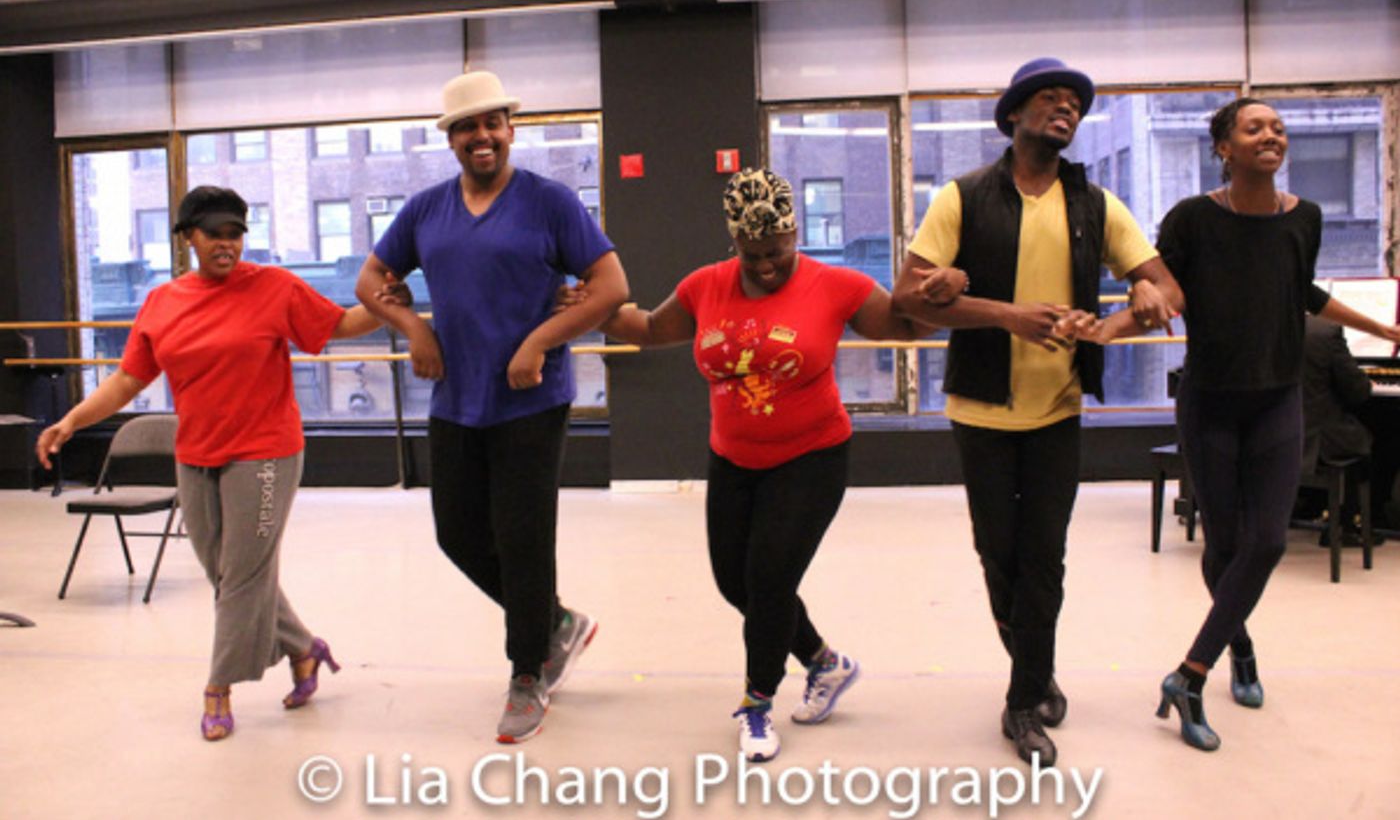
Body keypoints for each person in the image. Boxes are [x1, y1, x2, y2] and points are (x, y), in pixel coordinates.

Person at [573, 167, 961, 762]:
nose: (765, 266)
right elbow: (648, 328)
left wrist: (941, 293)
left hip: (812, 455)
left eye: (775, 251)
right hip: (733, 458)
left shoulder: (835, 286)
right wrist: (590, 308)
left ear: (794, 233)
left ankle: (757, 705)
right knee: (737, 583)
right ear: (734, 242)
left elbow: (907, 328)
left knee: (771, 581)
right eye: (751, 254)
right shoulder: (706, 286)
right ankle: (827, 664)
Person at [1072, 97, 1400, 751]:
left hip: (1278, 401)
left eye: (1278, 127)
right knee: (1223, 545)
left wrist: (1382, 326)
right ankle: (1239, 646)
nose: (1271, 135)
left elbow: (1301, 290)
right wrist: (1107, 327)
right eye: (1255, 127)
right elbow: (1165, 292)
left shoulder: (1304, 216)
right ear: (1225, 146)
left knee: (1269, 540)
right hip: (1211, 402)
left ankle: (1190, 672)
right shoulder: (1193, 218)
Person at [891, 57, 1182, 767]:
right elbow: (907, 297)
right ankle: (1034, 661)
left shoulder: (1095, 204)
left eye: (1075, 104)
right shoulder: (962, 197)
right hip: (982, 409)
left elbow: (1163, 287)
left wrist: (1130, 315)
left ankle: (1022, 701)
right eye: (1051, 99)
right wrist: (1005, 314)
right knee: (1000, 555)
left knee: (1043, 558)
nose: (1067, 110)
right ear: (1015, 114)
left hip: (1058, 409)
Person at [36, 185, 399, 742]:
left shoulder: (274, 287)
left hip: (266, 451)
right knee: (225, 573)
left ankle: (217, 689)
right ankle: (304, 650)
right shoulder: (162, 302)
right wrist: (72, 421)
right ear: (189, 238)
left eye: (235, 233)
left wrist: (387, 306)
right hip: (197, 453)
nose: (227, 244)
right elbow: (129, 379)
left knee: (243, 575)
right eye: (214, 234)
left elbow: (339, 326)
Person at [354, 69, 629, 744]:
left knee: (524, 538)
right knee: (457, 533)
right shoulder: (425, 210)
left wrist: (539, 340)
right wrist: (415, 328)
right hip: (456, 398)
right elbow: (369, 279)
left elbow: (610, 285)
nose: (482, 136)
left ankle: (527, 672)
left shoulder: (549, 201)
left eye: (492, 123)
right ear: (450, 138)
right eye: (467, 126)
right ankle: (555, 623)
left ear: (510, 128)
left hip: (532, 400)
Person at [1302, 314, 1382, 546]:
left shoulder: (1263, 327)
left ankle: (1309, 506)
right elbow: (1357, 390)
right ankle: (1349, 522)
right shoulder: (1327, 332)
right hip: (1320, 439)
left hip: (1277, 434)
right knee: (1376, 438)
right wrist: (1367, 383)